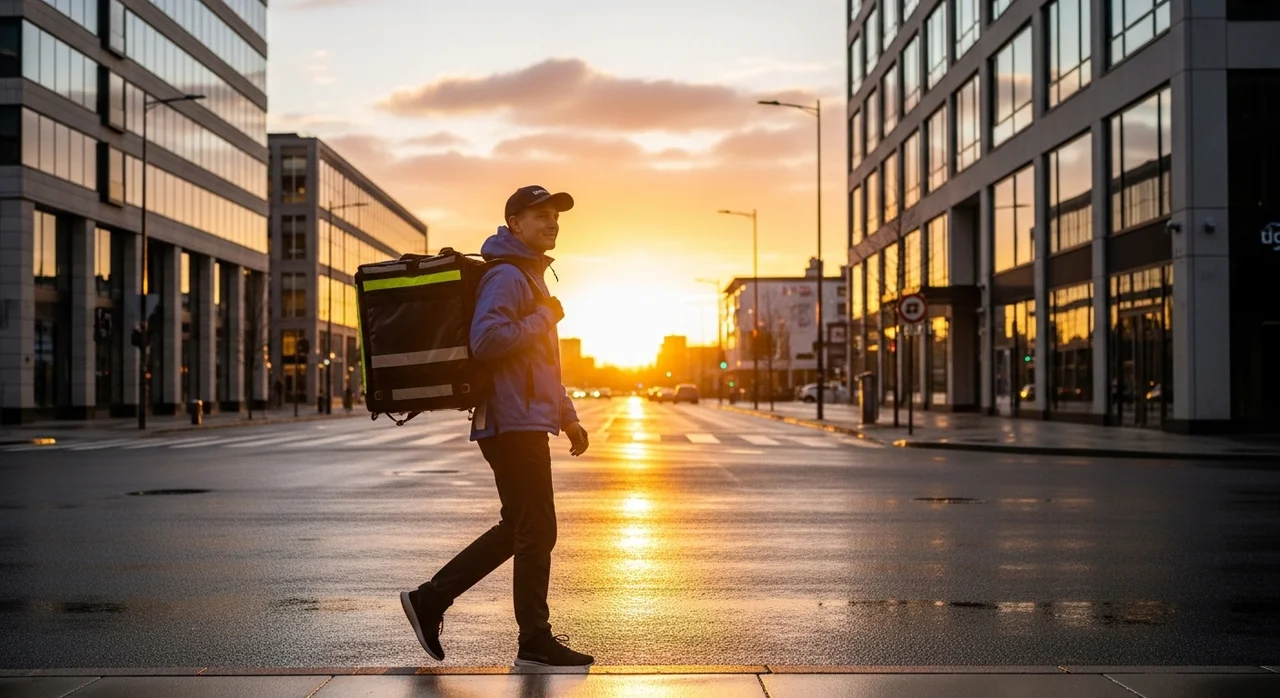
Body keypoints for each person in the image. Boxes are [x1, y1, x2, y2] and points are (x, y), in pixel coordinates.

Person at [400, 185, 594, 668]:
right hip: (510, 422)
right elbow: (487, 341)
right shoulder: (508, 277)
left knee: (520, 529)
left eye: (555, 217)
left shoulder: (530, 279)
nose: (551, 224)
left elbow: (544, 365)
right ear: (514, 224)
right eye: (540, 216)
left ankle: (430, 600)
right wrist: (543, 317)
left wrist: (567, 417)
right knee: (537, 530)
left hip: (524, 419)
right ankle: (534, 640)